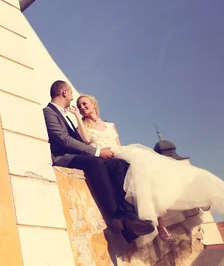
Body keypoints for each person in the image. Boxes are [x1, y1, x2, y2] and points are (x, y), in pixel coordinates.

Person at [76, 93, 224, 245]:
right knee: (142, 177)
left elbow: (119, 144)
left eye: (84, 103)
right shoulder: (83, 126)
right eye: (80, 105)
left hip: (122, 153)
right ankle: (160, 225)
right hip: (107, 158)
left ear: (93, 103)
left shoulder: (110, 125)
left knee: (152, 175)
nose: (82, 107)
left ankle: (194, 200)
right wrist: (77, 116)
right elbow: (86, 140)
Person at [43, 80, 154, 243]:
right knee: (97, 163)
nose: (73, 99)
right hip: (64, 158)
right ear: (65, 93)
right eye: (71, 94)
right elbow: (64, 140)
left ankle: (129, 219)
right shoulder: (49, 111)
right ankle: (116, 217)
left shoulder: (64, 114)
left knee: (120, 164)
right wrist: (96, 151)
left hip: (78, 156)